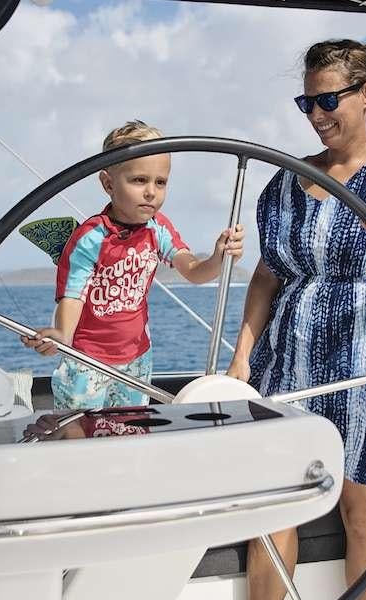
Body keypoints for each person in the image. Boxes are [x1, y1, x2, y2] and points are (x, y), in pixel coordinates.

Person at [226, 40, 366, 600]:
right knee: (276, 509)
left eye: (328, 100)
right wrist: (243, 356)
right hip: (287, 368)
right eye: (307, 102)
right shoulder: (286, 181)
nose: (317, 115)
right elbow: (267, 275)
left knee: (364, 512)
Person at [23, 120, 246, 410]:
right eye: (139, 180)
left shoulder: (158, 229)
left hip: (137, 360)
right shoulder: (90, 238)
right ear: (108, 183)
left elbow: (192, 270)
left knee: (130, 430)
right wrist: (62, 337)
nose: (151, 192)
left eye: (160, 182)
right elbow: (73, 295)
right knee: (77, 434)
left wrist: (218, 258)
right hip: (86, 361)